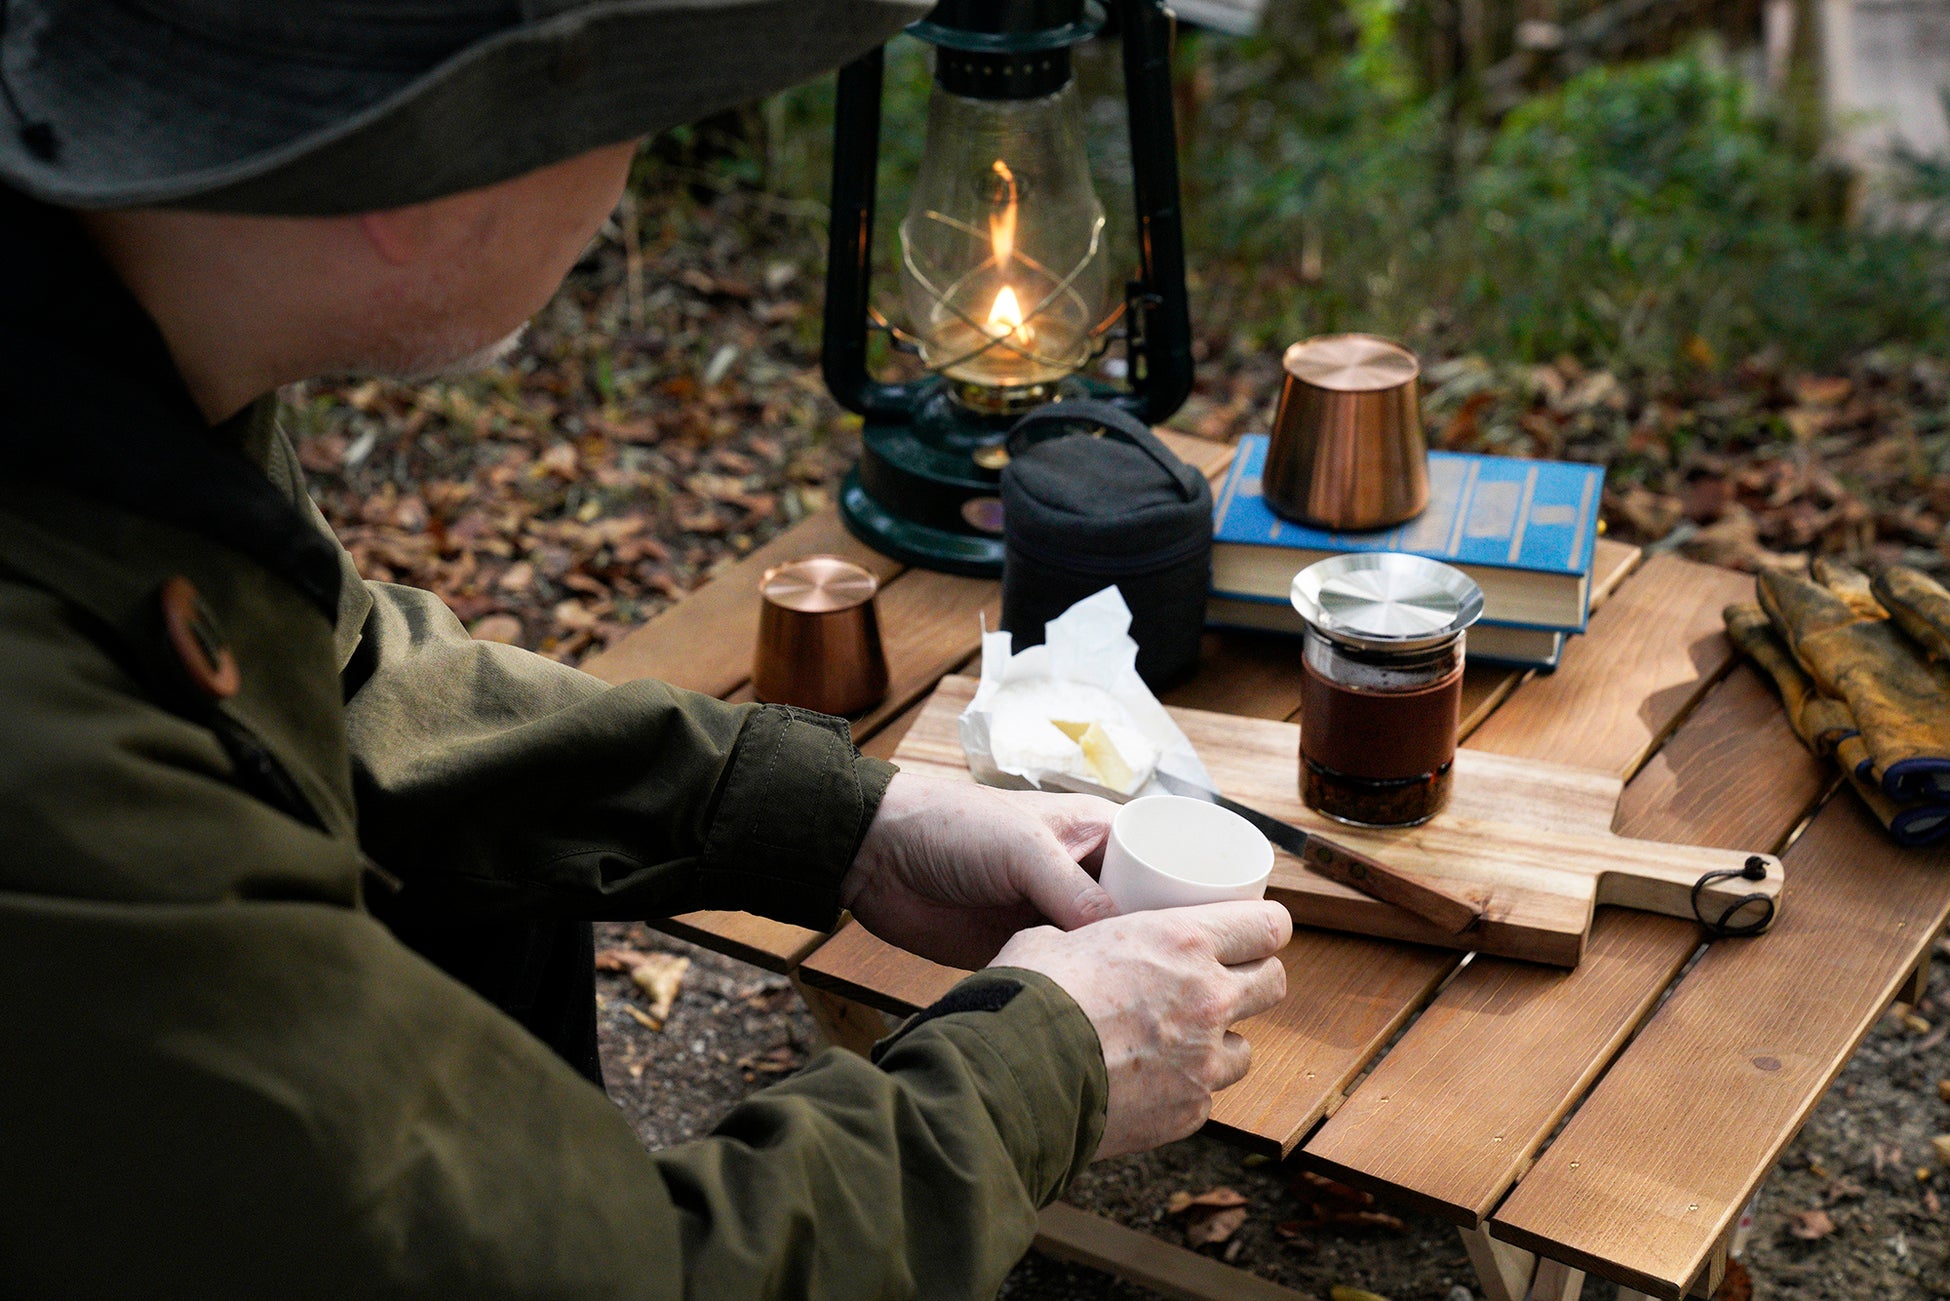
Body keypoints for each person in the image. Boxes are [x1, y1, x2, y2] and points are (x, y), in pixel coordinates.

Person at [0, 2, 1291, 1296]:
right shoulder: (54, 773)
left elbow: (332, 682)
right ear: (440, 177)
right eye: (626, 114)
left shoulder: (111, 378)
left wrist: (842, 817)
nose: (624, 186)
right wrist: (1045, 1068)